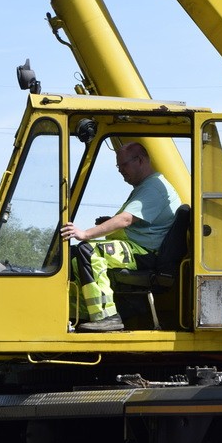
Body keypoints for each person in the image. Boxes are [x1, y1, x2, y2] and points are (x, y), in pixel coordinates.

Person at [60, 142, 181, 332]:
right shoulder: (147, 187)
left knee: (88, 250)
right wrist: (108, 222)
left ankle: (107, 317)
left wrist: (84, 234)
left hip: (145, 253)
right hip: (138, 248)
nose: (120, 171)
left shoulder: (154, 188)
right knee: (75, 255)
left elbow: (125, 220)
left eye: (123, 165)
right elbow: (139, 222)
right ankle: (82, 315)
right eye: (119, 167)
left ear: (139, 160)